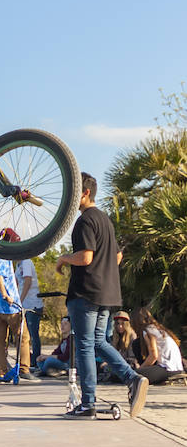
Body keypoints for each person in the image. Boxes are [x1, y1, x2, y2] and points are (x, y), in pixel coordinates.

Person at [56, 172, 148, 418]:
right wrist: (103, 272)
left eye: (73, 192)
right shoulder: (105, 220)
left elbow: (85, 257)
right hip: (107, 293)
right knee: (98, 342)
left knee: (85, 345)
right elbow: (117, 256)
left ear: (85, 193)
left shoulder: (85, 221)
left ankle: (87, 404)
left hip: (85, 293)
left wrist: (63, 259)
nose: (69, 197)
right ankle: (133, 378)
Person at [0, 229, 36, 381]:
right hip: (8, 304)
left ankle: (2, 371)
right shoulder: (3, 254)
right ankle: (24, 369)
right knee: (23, 335)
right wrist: (6, 295)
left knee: (0, 341)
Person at [130, 307, 184, 384]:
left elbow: (153, 356)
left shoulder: (147, 331)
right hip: (178, 368)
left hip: (167, 369)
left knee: (131, 375)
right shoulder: (158, 329)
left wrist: (140, 369)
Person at [15, 257, 42, 367]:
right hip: (24, 305)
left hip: (32, 304)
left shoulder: (26, 261)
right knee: (23, 334)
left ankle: (36, 361)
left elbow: (28, 281)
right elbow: (16, 282)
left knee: (32, 333)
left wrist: (20, 300)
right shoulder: (18, 264)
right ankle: (27, 359)